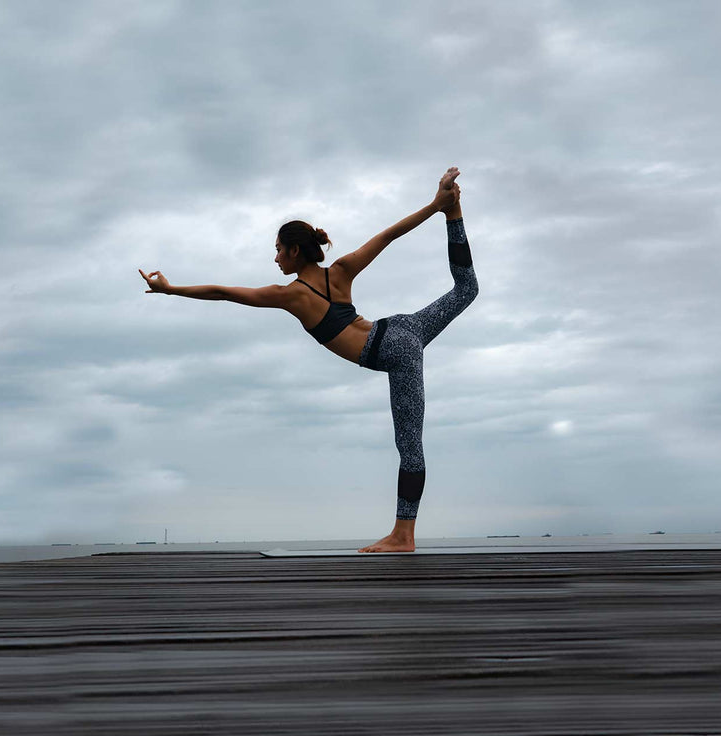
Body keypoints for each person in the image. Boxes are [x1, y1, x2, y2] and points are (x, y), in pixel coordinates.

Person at [139, 167, 477, 553]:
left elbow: (223, 293)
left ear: (295, 250)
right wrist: (437, 207)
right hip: (405, 329)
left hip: (394, 351)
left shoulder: (291, 295)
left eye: (279, 249)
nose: (276, 257)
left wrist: (171, 291)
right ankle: (455, 213)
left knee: (410, 446)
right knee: (466, 289)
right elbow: (388, 235)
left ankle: (403, 536)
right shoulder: (342, 271)